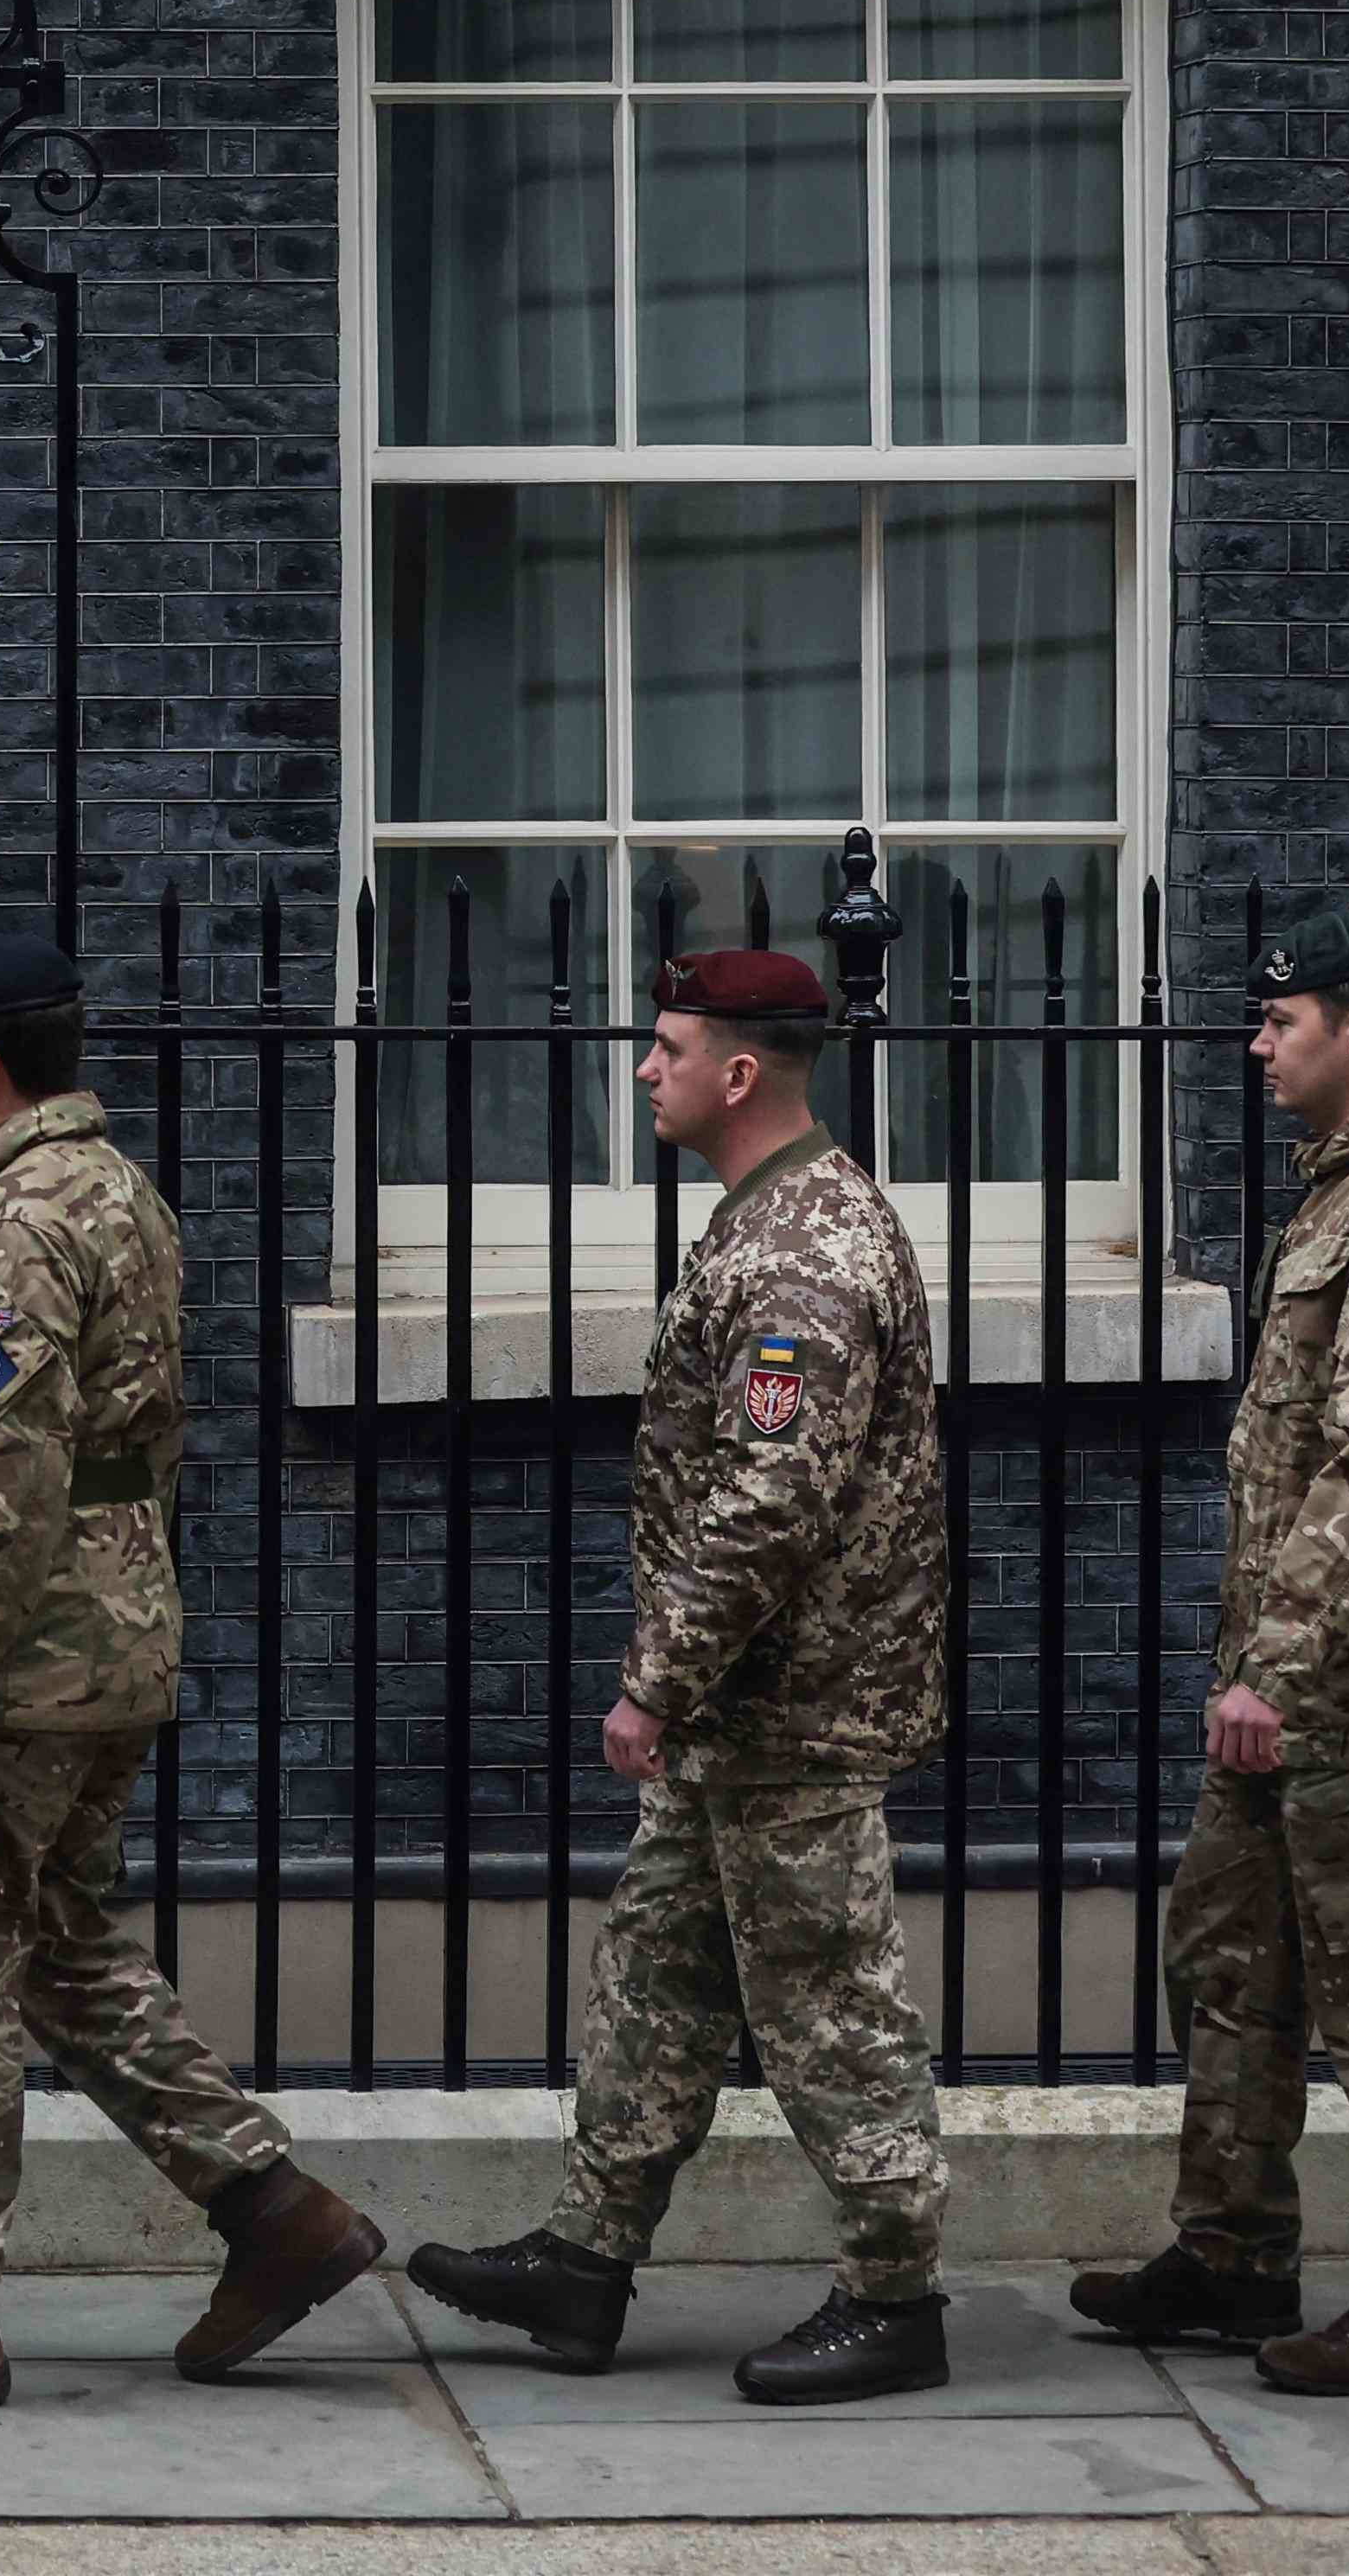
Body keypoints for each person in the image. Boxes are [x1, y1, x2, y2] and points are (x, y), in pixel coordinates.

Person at [0, 931, 380, 2409]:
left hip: (21, 1650)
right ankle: (278, 2215)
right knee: (62, 1953)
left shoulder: (23, 1219)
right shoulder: (118, 1191)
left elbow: (5, 1463)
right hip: (113, 1631)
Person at [411, 946, 950, 2407]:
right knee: (657, 1975)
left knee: (829, 2000)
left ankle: (897, 2293)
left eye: (666, 1047)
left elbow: (771, 1497)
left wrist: (654, 1679)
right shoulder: (763, 1220)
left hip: (792, 1709)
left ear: (738, 1072)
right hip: (741, 1709)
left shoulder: (803, 1252)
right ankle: (586, 2264)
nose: (644, 1070)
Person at [1071, 905, 1349, 2395]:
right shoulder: (1345, 1189)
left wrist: (1286, 1660)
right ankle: (1235, 2253)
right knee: (1229, 1957)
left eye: (1281, 1021)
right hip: (1290, 1679)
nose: (1258, 1045)